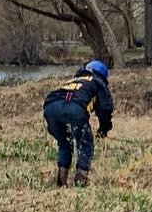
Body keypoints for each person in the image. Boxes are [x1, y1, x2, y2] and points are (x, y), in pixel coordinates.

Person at [42, 59, 113, 188]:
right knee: (86, 142)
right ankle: (81, 180)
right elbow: (105, 109)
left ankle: (61, 180)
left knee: (65, 141)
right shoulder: (98, 82)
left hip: (50, 107)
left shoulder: (74, 80)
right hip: (75, 108)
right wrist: (103, 130)